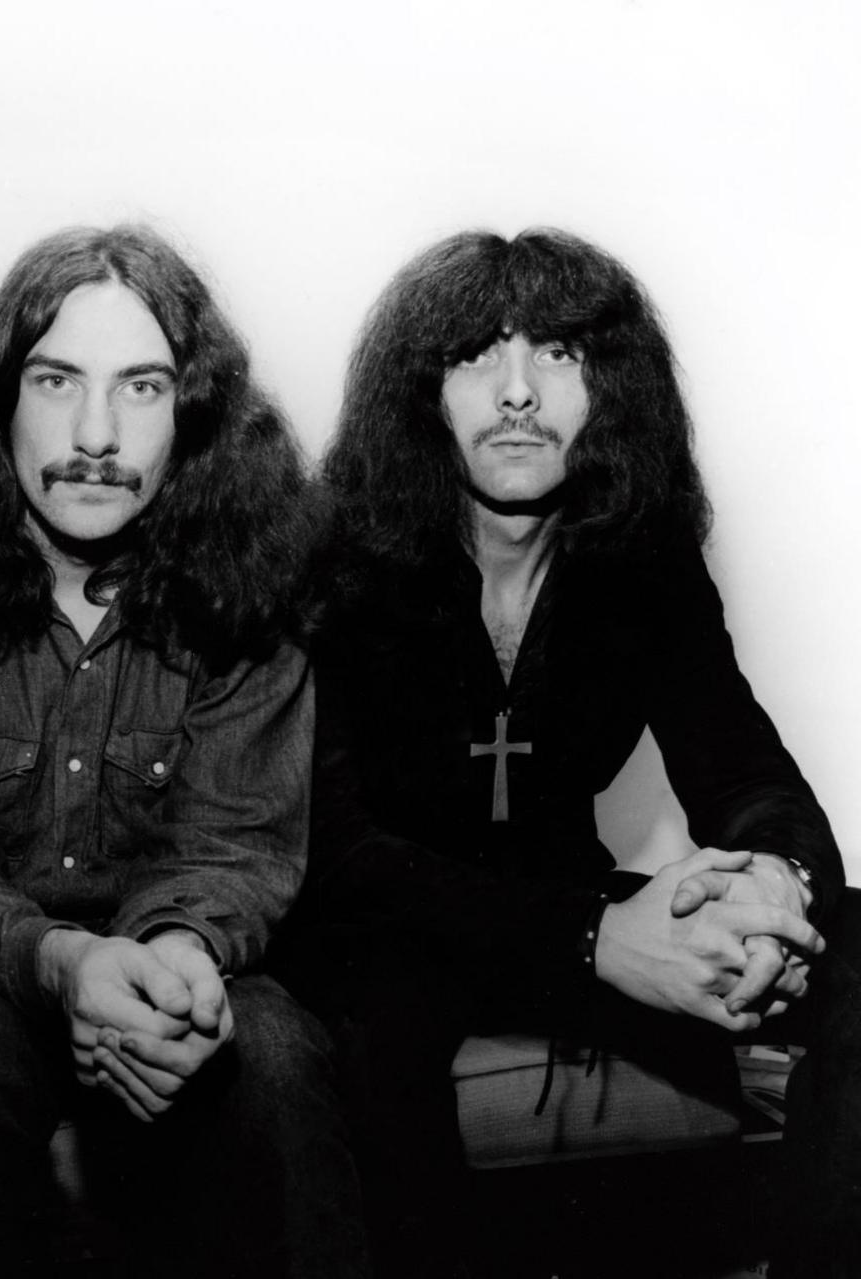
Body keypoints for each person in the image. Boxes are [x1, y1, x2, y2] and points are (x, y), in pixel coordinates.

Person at [275, 226, 856, 1277]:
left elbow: (741, 768)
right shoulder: (336, 559)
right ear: (420, 391)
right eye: (475, 354)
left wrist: (778, 885)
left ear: (609, 388)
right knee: (366, 1026)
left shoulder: (641, 560)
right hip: (389, 927)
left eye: (555, 352)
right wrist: (597, 935)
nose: (515, 393)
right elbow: (338, 851)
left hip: (559, 905)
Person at [0, 225, 367, 1278]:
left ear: (192, 415)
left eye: (144, 388)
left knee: (281, 1058)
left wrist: (179, 962)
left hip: (165, 952)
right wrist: (62, 965)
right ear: (0, 401)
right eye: (58, 381)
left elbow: (238, 850)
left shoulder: (251, 578)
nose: (98, 432)